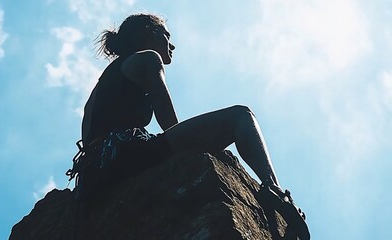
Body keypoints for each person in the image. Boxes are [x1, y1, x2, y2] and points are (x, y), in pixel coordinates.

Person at [78, 13, 306, 224]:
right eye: (166, 35)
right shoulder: (148, 59)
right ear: (148, 34)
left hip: (96, 172)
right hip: (126, 156)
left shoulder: (105, 82)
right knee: (241, 116)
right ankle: (274, 190)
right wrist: (201, 142)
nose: (172, 45)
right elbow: (170, 125)